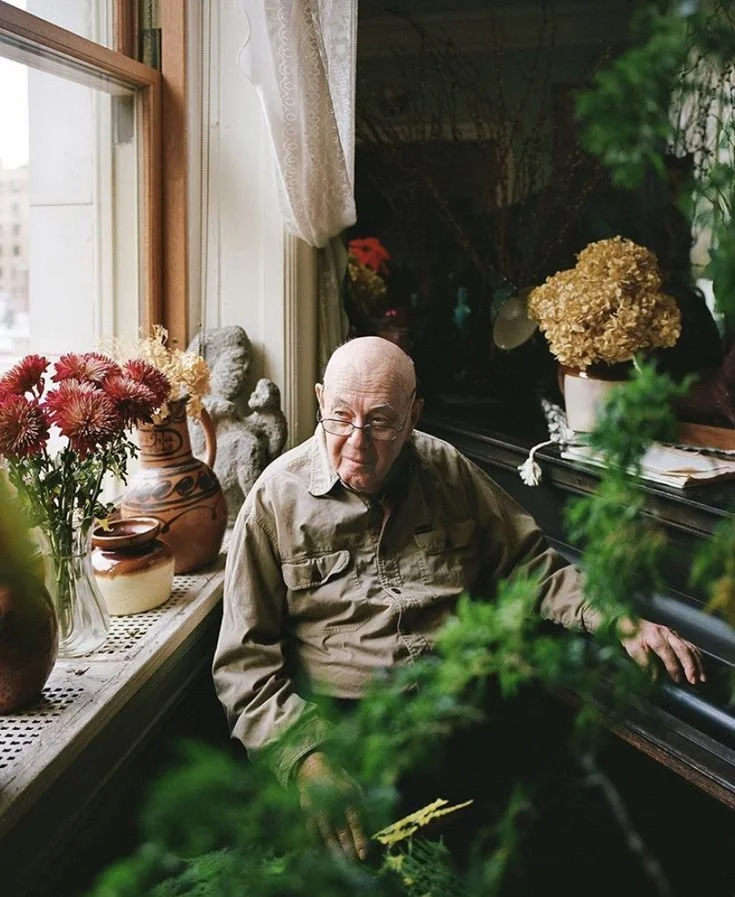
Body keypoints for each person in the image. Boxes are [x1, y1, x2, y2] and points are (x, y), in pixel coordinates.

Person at [212, 336, 705, 868]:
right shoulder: (272, 501)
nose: (357, 442)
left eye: (380, 421)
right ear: (318, 401)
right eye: (339, 417)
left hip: (466, 724)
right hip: (348, 739)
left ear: (413, 415)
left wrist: (615, 617)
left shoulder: (447, 470)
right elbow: (245, 667)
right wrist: (305, 757)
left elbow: (528, 565)